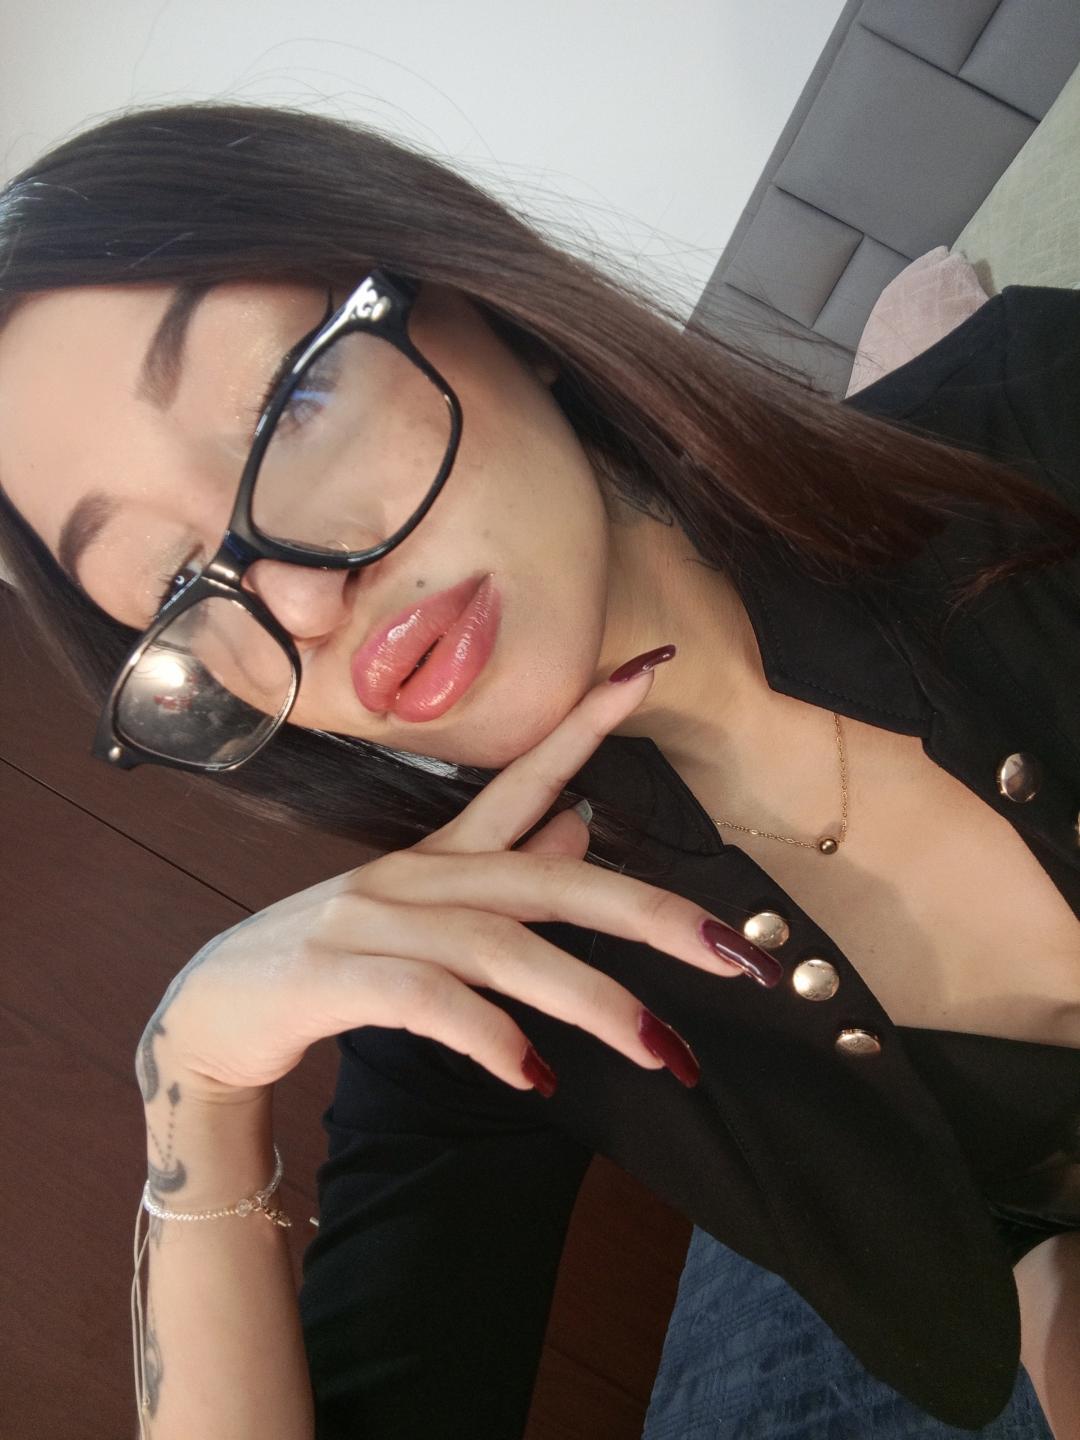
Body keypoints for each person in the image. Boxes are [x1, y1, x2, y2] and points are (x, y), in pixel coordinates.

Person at [0, 102, 1077, 1439]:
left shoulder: (1036, 414)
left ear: (489, 306)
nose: (304, 602)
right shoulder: (484, 1000)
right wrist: (194, 1089)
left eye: (292, 402)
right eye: (172, 584)